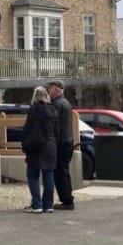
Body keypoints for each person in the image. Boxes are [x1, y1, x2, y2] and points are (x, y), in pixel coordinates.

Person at [21, 86, 59, 213]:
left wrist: (25, 143)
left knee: (33, 175)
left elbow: (28, 128)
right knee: (49, 175)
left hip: (36, 146)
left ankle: (37, 204)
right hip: (51, 145)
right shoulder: (53, 109)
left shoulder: (34, 109)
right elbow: (56, 130)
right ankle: (48, 205)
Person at [46, 80, 75, 211]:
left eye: (50, 88)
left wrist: (51, 144)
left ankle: (67, 200)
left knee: (60, 173)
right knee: (64, 172)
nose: (49, 91)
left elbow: (55, 127)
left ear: (56, 90)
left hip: (60, 143)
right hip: (68, 141)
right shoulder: (66, 103)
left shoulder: (56, 104)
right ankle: (68, 198)